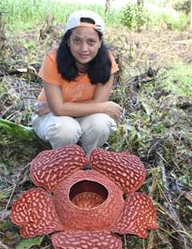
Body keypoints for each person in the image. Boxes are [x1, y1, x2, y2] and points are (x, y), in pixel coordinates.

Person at [32, 10, 123, 156]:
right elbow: (98, 106)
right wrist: (58, 108)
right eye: (77, 40)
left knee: (101, 123)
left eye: (91, 41)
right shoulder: (53, 59)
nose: (84, 48)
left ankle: (88, 158)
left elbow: (97, 105)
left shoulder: (107, 61)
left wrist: (59, 107)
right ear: (68, 41)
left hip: (81, 114)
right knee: (65, 129)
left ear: (100, 42)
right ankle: (65, 159)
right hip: (52, 118)